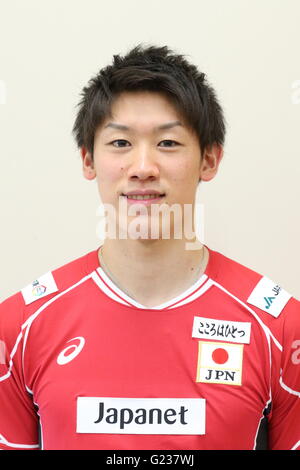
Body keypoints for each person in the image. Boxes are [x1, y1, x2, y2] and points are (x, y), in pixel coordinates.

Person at [0, 44, 299, 451]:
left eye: (169, 143)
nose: (143, 167)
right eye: (120, 143)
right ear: (88, 160)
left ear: (209, 160)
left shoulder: (282, 329)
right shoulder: (18, 326)